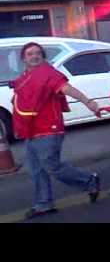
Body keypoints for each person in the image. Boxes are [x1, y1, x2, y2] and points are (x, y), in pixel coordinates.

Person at [10, 42, 101, 220]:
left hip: (48, 130)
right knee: (37, 170)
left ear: (43, 56)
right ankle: (44, 203)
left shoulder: (48, 73)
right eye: (30, 54)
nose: (34, 56)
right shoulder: (26, 76)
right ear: (24, 58)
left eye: (38, 53)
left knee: (52, 166)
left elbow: (67, 89)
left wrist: (88, 102)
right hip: (31, 131)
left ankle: (89, 180)